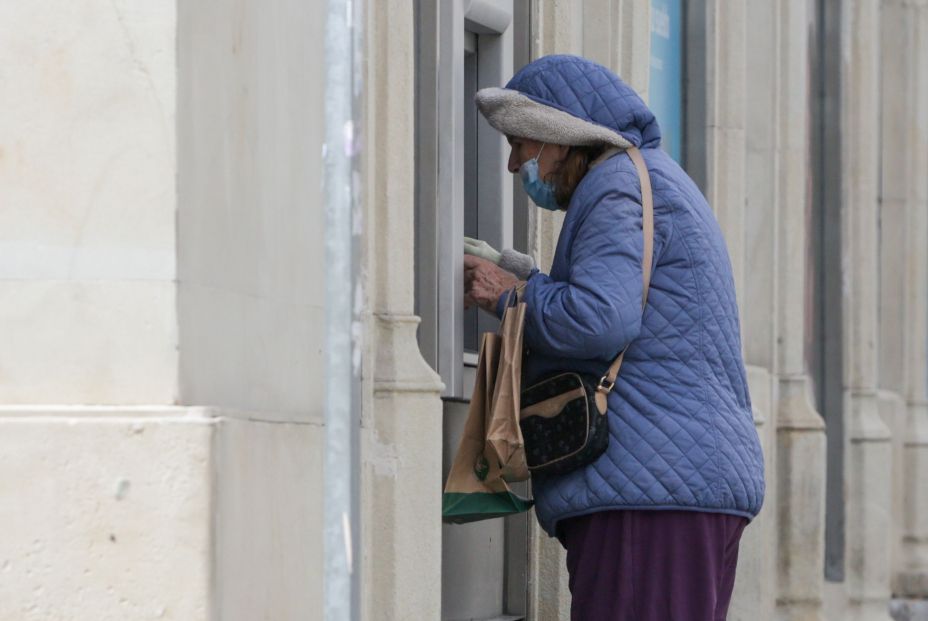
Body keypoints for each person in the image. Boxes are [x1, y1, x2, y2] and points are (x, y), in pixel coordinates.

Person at [463, 55, 765, 620]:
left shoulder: (615, 186)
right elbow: (630, 304)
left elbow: (600, 318)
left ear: (560, 136)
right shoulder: (651, 179)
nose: (512, 165)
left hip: (649, 497)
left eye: (521, 143)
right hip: (680, 485)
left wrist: (509, 296)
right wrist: (517, 272)